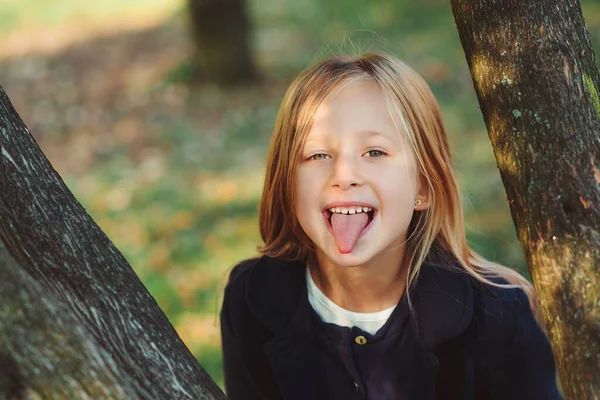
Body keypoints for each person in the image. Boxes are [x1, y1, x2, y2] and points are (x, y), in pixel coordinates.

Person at [220, 52, 562, 399]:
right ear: (287, 185)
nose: (344, 176)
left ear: (424, 186)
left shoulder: (498, 319)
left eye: (375, 153)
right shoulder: (251, 301)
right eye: (318, 155)